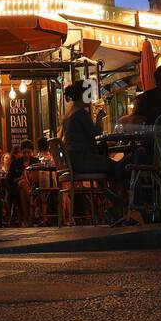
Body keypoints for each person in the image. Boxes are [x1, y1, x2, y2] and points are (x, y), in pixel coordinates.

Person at [60, 80, 126, 220]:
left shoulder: (68, 114)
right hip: (83, 161)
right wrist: (100, 119)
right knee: (119, 168)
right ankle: (121, 206)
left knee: (111, 167)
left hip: (73, 161)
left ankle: (116, 205)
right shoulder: (81, 114)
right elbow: (95, 134)